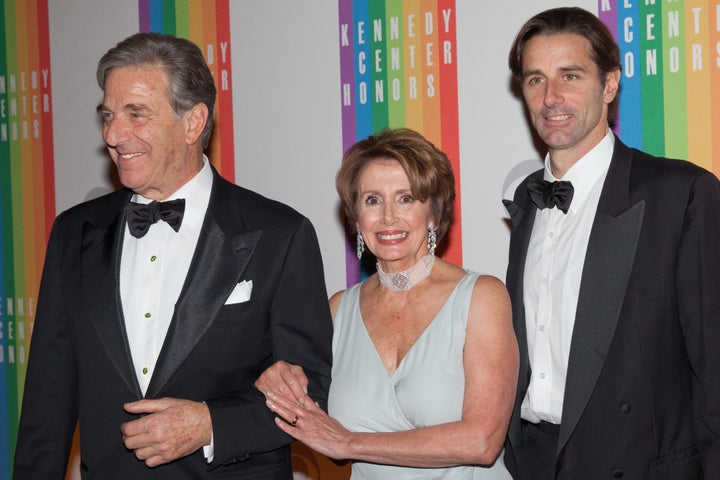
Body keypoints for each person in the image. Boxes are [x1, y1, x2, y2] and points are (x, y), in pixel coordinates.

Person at [13, 32, 333, 479]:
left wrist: (210, 424)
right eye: (107, 115)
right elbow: (47, 402)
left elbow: (312, 394)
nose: (112, 134)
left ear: (193, 122)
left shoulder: (279, 234)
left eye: (135, 114)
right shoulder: (74, 232)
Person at [502, 7, 720, 480]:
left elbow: (714, 364)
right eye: (535, 79)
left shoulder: (678, 193)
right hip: (535, 463)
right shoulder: (525, 201)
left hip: (636, 464)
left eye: (570, 76)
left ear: (610, 85)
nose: (550, 97)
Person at [256, 128, 519, 479]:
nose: (388, 217)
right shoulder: (336, 312)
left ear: (434, 213)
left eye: (406, 198)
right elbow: (312, 422)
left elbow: (482, 441)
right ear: (356, 218)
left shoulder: (481, 297)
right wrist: (274, 383)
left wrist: (350, 443)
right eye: (372, 200)